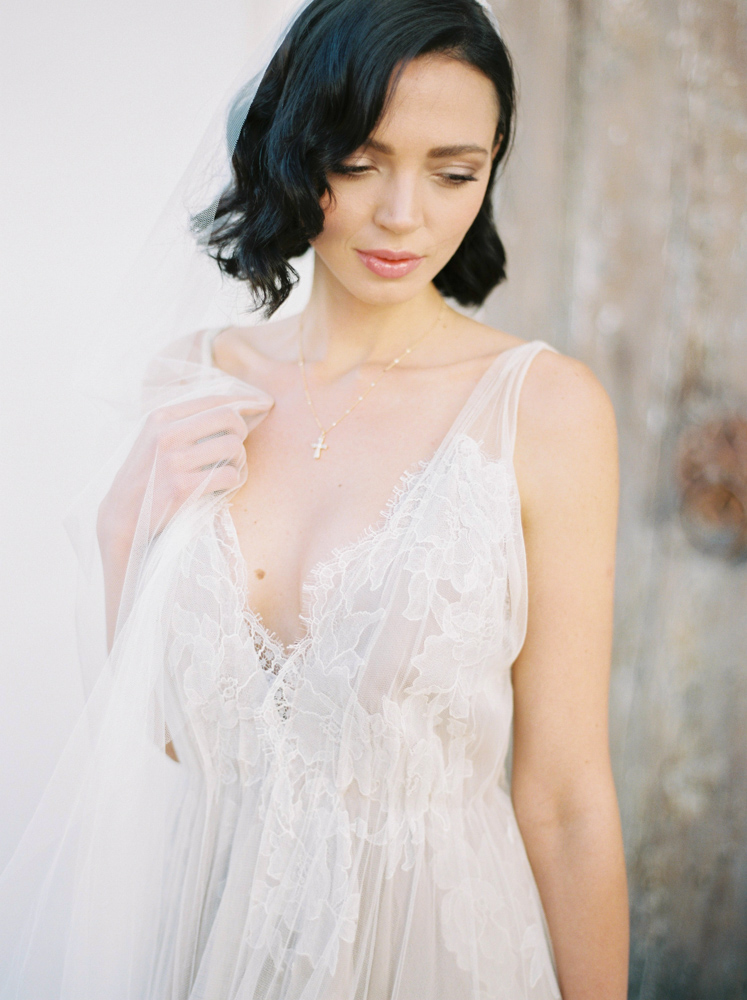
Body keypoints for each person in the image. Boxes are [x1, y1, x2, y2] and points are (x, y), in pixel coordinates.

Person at [1, 0, 628, 997]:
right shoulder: (199, 384)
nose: (404, 215)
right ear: (297, 153)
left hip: (432, 955)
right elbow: (168, 746)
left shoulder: (545, 410)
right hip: (207, 942)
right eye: (360, 162)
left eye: (453, 172)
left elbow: (564, 799)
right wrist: (125, 529)